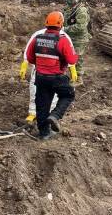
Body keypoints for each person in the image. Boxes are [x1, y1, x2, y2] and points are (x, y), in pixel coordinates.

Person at [25, 11, 78, 140]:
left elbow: (30, 58)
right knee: (68, 95)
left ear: (46, 24)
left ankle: (44, 133)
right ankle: (55, 115)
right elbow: (72, 60)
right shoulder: (63, 40)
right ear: (61, 25)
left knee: (42, 105)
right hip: (57, 78)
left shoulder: (37, 38)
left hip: (40, 77)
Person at [19, 28, 77, 123]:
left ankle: (44, 121)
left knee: (39, 94)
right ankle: (49, 114)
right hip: (56, 74)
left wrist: (30, 63)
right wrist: (72, 67)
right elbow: (70, 55)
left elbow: (29, 53)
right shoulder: (63, 38)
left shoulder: (39, 36)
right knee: (61, 94)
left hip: (40, 72)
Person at [63, 0, 91, 85]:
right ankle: (69, 75)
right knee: (67, 56)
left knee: (77, 58)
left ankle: (78, 78)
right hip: (69, 36)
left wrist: (65, 29)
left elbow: (80, 27)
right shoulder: (68, 8)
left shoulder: (81, 10)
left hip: (79, 39)